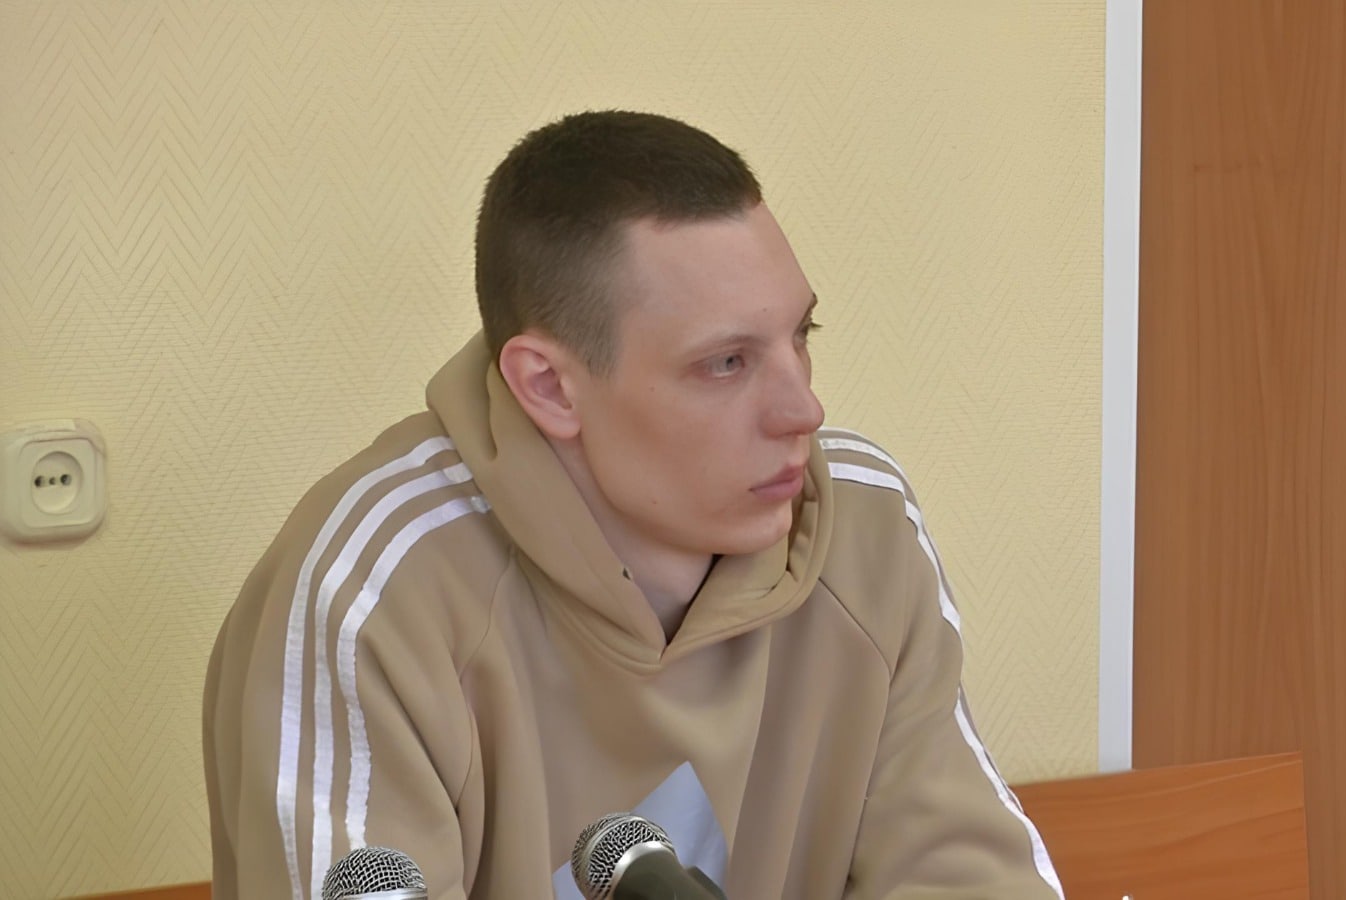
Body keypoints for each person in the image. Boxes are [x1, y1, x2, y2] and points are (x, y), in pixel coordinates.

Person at [203, 110, 1064, 900]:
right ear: (550, 388)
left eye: (800, 336)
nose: (803, 409)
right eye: (726, 362)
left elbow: (971, 878)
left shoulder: (862, 525)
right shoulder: (370, 585)